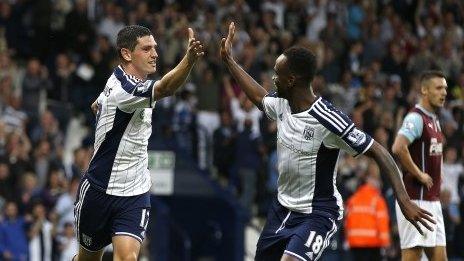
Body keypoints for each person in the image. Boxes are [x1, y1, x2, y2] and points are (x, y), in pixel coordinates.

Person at [220, 22, 434, 261]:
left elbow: (379, 151)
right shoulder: (282, 105)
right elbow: (259, 96)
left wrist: (403, 200)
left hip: (317, 214)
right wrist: (229, 60)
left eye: (277, 74)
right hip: (281, 210)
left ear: (291, 80)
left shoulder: (327, 119)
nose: (273, 78)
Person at [73, 25, 204, 261]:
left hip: (135, 192)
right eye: (146, 49)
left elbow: (98, 102)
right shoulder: (124, 90)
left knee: (127, 258)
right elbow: (166, 87)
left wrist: (99, 104)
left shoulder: (120, 78)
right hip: (99, 190)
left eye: (155, 48)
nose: (155, 54)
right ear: (126, 54)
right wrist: (189, 60)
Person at [392, 70, 448, 261]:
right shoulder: (415, 118)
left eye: (445, 88)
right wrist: (419, 174)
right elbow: (398, 148)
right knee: (413, 257)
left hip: (432, 200)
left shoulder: (434, 119)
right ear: (424, 90)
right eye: (439, 88)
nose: (444, 93)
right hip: (417, 200)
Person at [345, 161, 390, 261]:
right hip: (373, 245)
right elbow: (382, 224)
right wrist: (385, 244)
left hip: (354, 244)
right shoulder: (377, 200)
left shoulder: (353, 199)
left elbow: (346, 222)